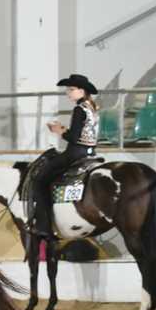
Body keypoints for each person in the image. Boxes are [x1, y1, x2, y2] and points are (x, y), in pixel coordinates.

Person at [30, 74, 100, 238]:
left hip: (75, 153)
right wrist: (64, 129)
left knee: (39, 180)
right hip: (90, 152)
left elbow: (74, 138)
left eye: (71, 89)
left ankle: (43, 225)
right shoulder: (93, 107)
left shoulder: (79, 109)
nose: (68, 93)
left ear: (81, 91)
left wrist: (58, 130)